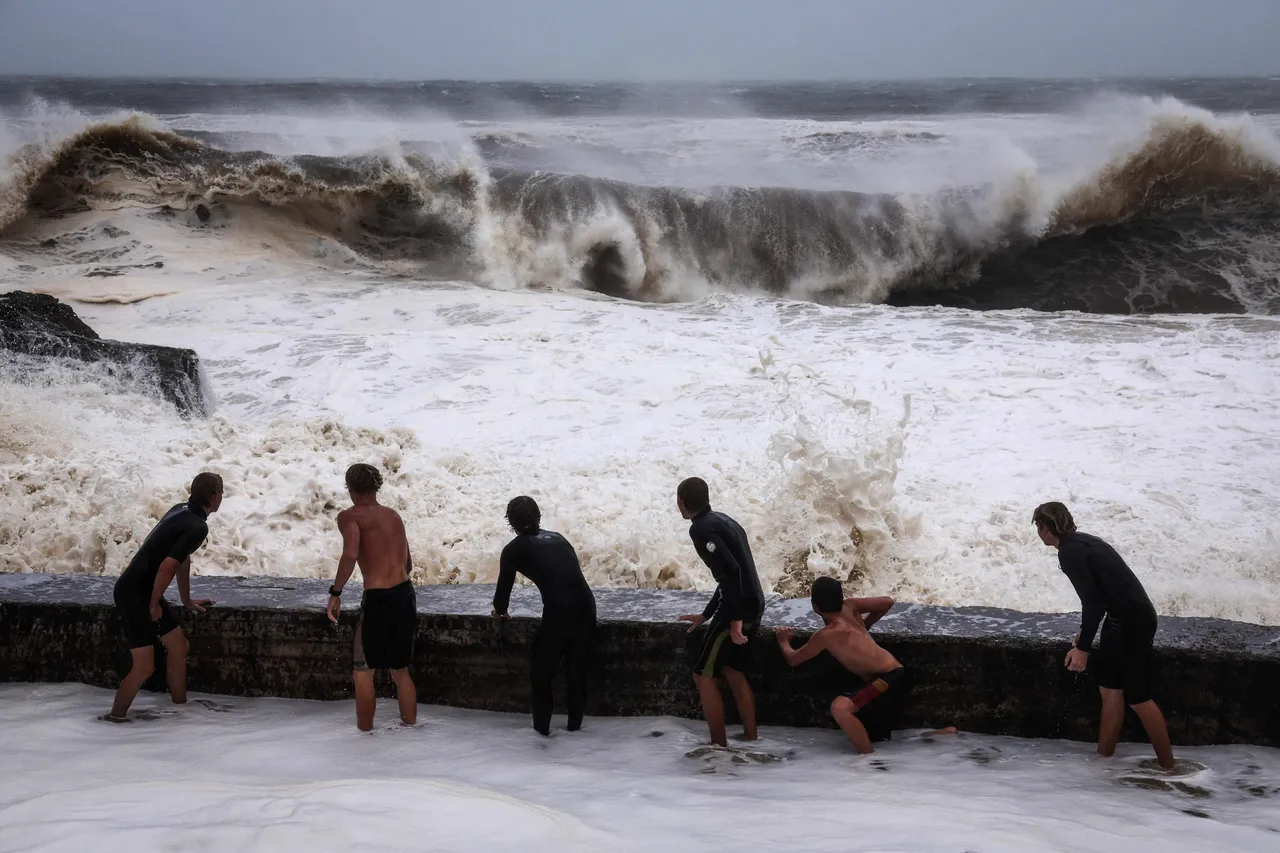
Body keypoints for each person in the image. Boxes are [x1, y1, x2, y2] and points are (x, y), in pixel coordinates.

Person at [1033, 501, 1175, 769]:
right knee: (1110, 689)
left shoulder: (1069, 552)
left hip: (1133, 622)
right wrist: (1085, 635)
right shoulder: (1081, 543)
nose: (1039, 531)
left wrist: (1083, 647)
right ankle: (1103, 760)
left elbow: (1092, 602)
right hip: (1119, 618)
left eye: (1039, 526)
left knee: (1138, 697)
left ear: (1044, 528)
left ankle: (1169, 768)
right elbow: (1101, 599)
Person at [776, 577, 953, 754]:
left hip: (888, 679)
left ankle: (868, 762)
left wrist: (783, 641)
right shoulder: (851, 606)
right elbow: (888, 602)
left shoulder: (826, 635)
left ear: (815, 606)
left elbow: (794, 659)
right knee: (880, 738)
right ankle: (941, 735)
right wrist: (863, 628)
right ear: (840, 597)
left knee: (840, 708)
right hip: (891, 677)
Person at [107, 472, 222, 721]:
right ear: (215, 496)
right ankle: (114, 719)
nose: (222, 497)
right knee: (144, 666)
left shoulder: (181, 509)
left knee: (179, 646)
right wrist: (152, 604)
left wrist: (186, 599)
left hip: (143, 590)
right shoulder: (198, 526)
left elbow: (181, 558)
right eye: (221, 493)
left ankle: (180, 712)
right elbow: (168, 565)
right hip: (134, 593)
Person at [492, 496, 598, 736]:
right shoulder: (559, 538)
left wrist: (500, 613)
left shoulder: (513, 550)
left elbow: (502, 597)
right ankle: (576, 732)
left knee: (541, 675)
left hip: (559, 612)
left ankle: (542, 737)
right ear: (538, 516)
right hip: (587, 607)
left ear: (511, 522)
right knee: (576, 674)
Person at [326, 463, 417, 732]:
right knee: (400, 670)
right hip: (405, 594)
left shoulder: (350, 516)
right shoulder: (393, 515)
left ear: (351, 488)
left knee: (363, 670)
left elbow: (351, 554)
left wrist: (336, 592)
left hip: (379, 599)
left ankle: (364, 739)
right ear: (376, 487)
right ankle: (412, 731)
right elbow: (409, 563)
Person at [675, 477, 766, 746]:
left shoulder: (700, 530)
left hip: (737, 608)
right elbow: (731, 574)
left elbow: (731, 571)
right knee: (733, 670)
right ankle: (751, 737)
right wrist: (705, 614)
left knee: (702, 675)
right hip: (755, 601)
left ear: (681, 502)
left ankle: (718, 746)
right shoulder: (724, 520)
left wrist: (734, 619)